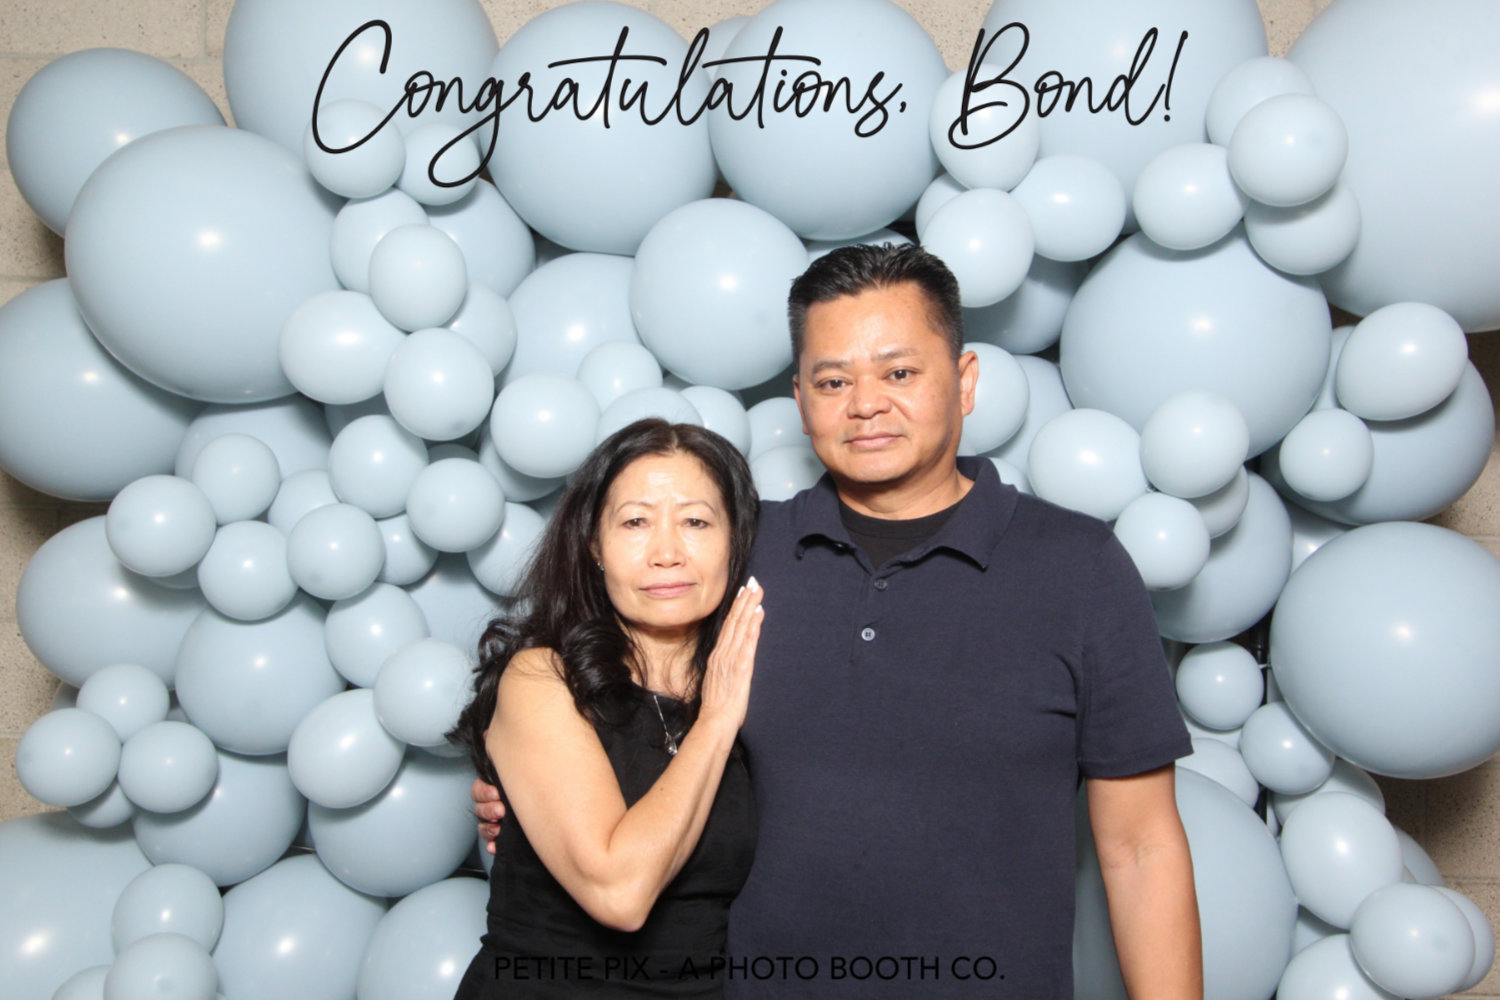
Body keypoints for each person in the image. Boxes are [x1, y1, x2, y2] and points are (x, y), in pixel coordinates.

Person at [474, 243, 1201, 998]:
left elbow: (1142, 847)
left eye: (899, 373)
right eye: (833, 381)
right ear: (800, 398)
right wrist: (520, 799)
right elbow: (610, 706)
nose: (865, 404)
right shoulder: (734, 558)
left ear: (965, 381)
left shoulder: (1078, 568)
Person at [448, 419, 764, 998]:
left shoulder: (765, 685)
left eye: (695, 522)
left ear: (735, 539)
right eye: (635, 522)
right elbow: (619, 894)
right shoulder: (542, 677)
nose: (666, 553)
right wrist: (717, 723)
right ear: (594, 544)